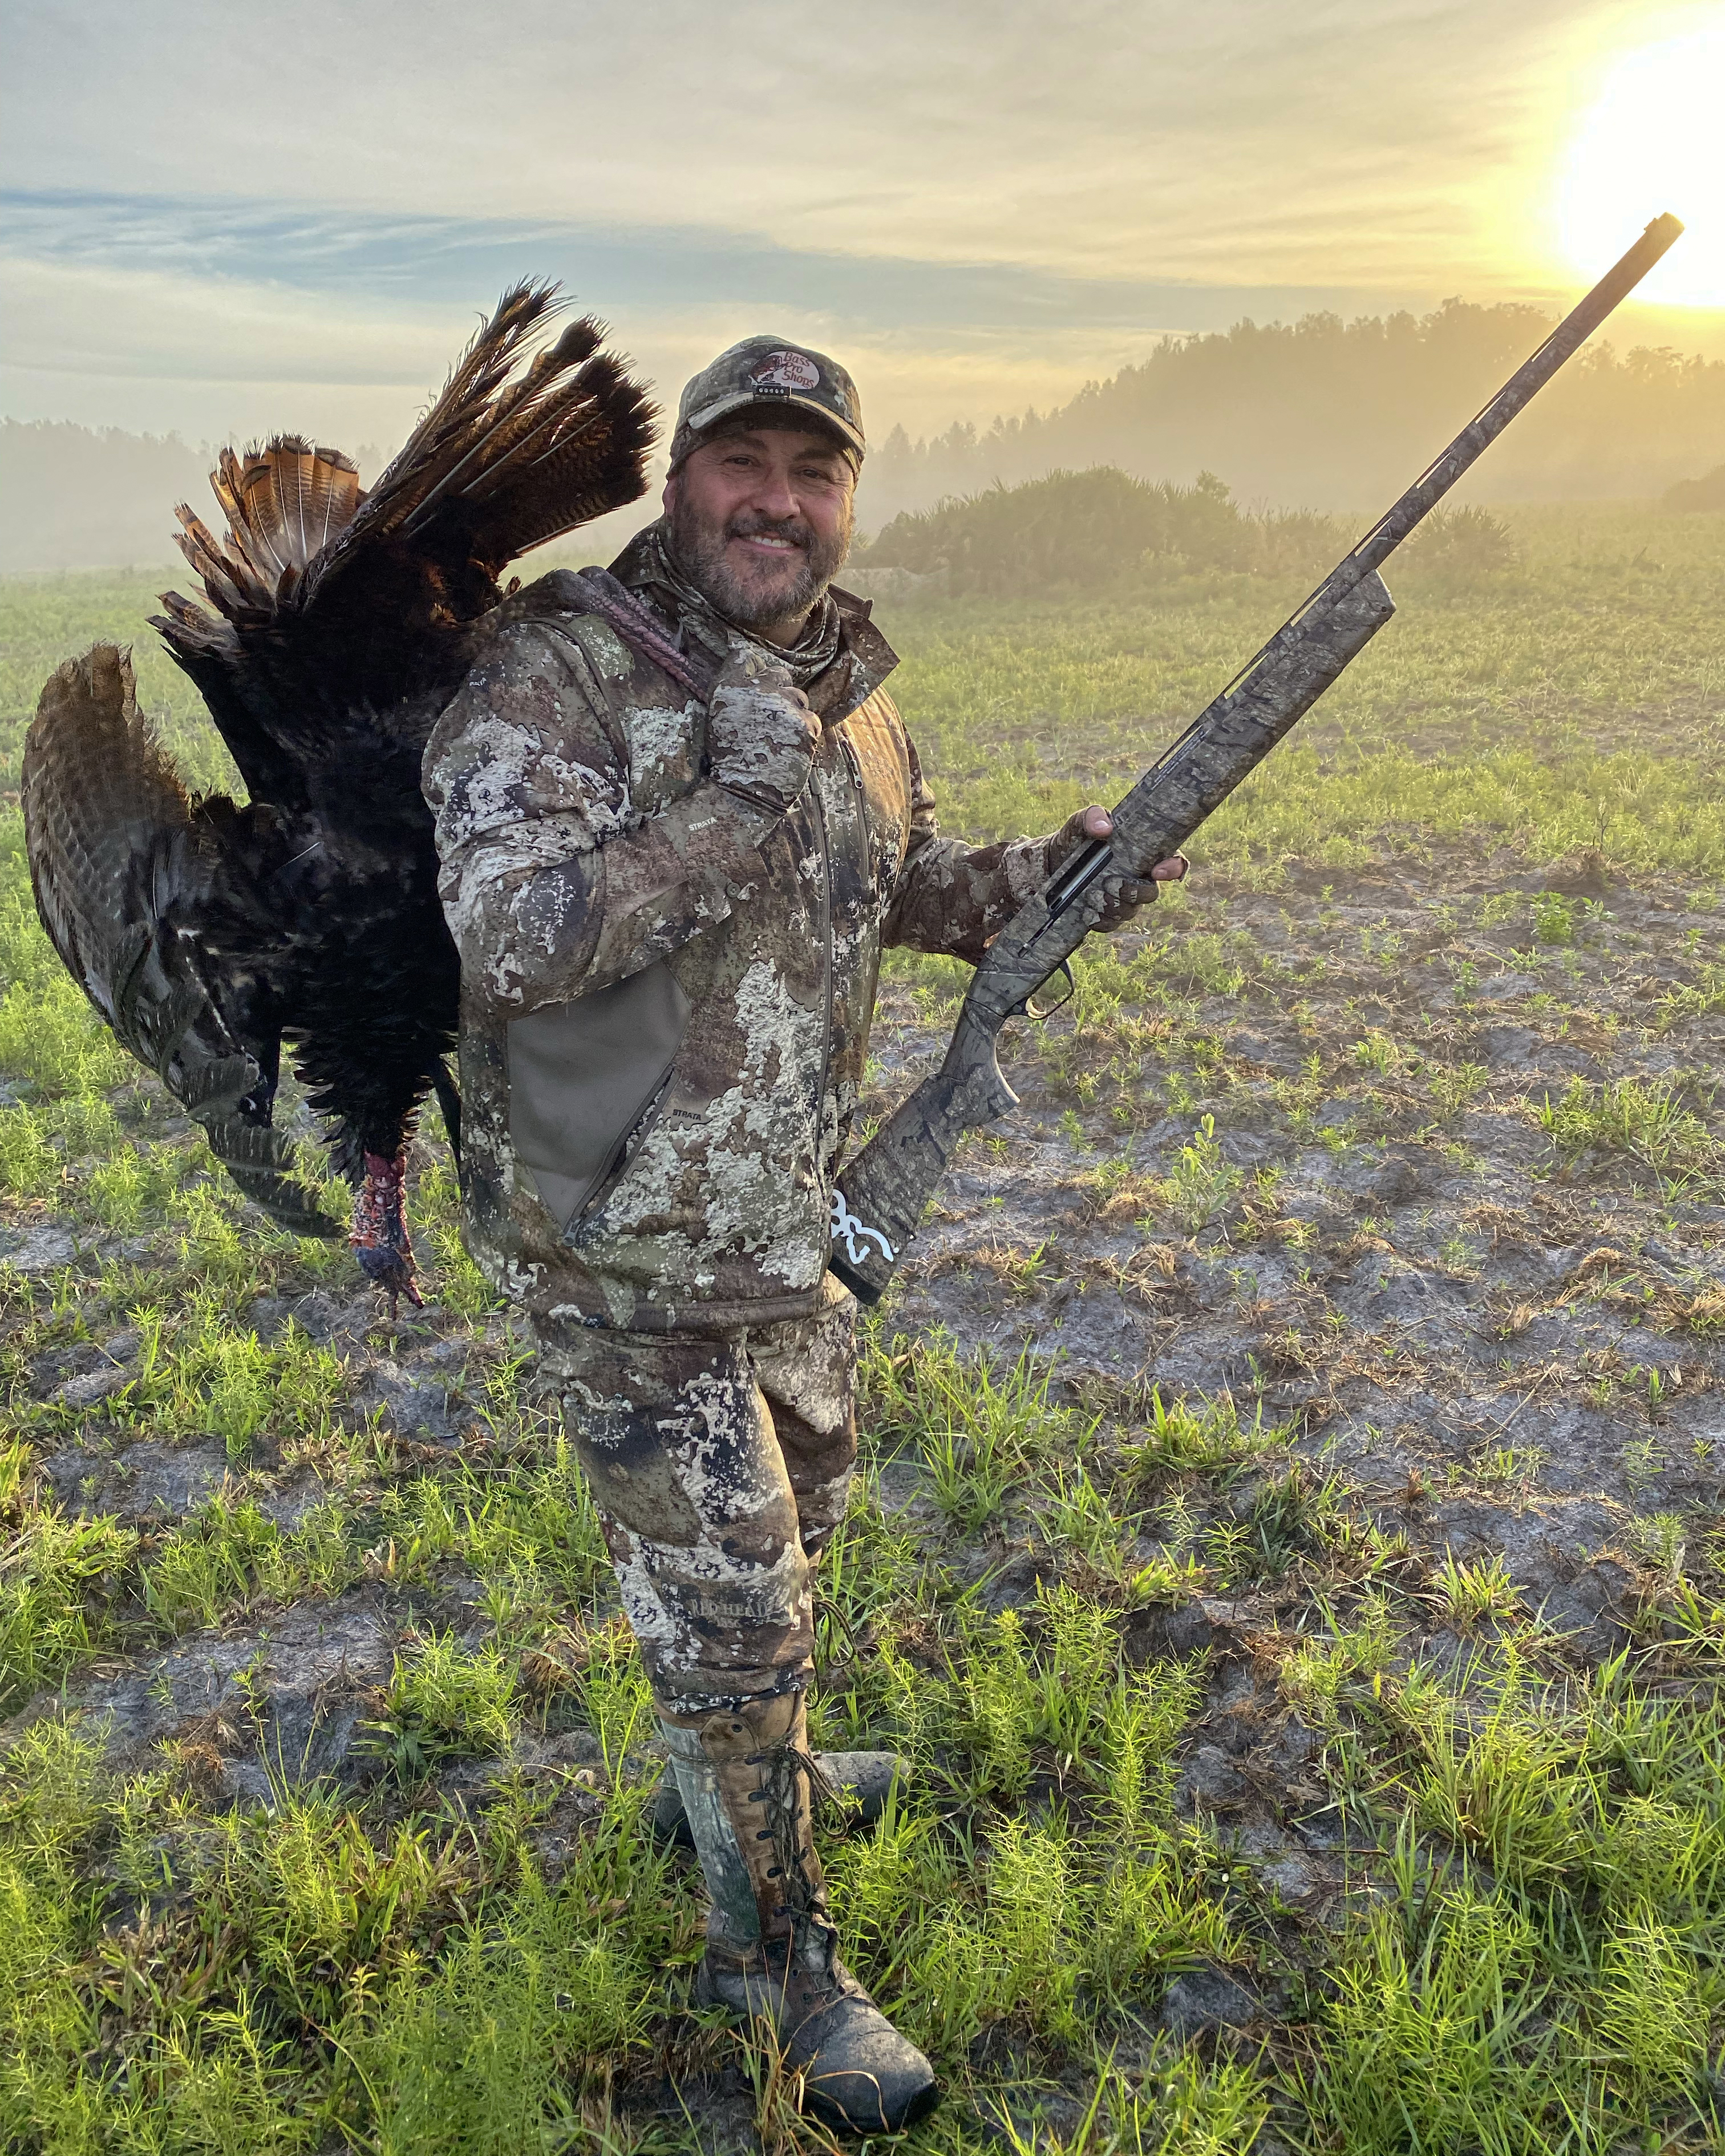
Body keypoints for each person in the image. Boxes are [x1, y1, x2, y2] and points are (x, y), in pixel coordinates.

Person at [423, 337, 1188, 2132]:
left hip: (791, 1226)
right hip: (624, 1255)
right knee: (745, 1609)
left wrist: (1033, 881)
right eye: (743, 462)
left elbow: (878, 889)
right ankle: (779, 1971)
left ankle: (733, 1768)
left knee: (796, 1545)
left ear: (851, 498)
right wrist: (727, 804)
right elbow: (512, 939)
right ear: (680, 478)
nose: (779, 500)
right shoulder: (559, 675)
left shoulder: (848, 689)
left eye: (815, 471)